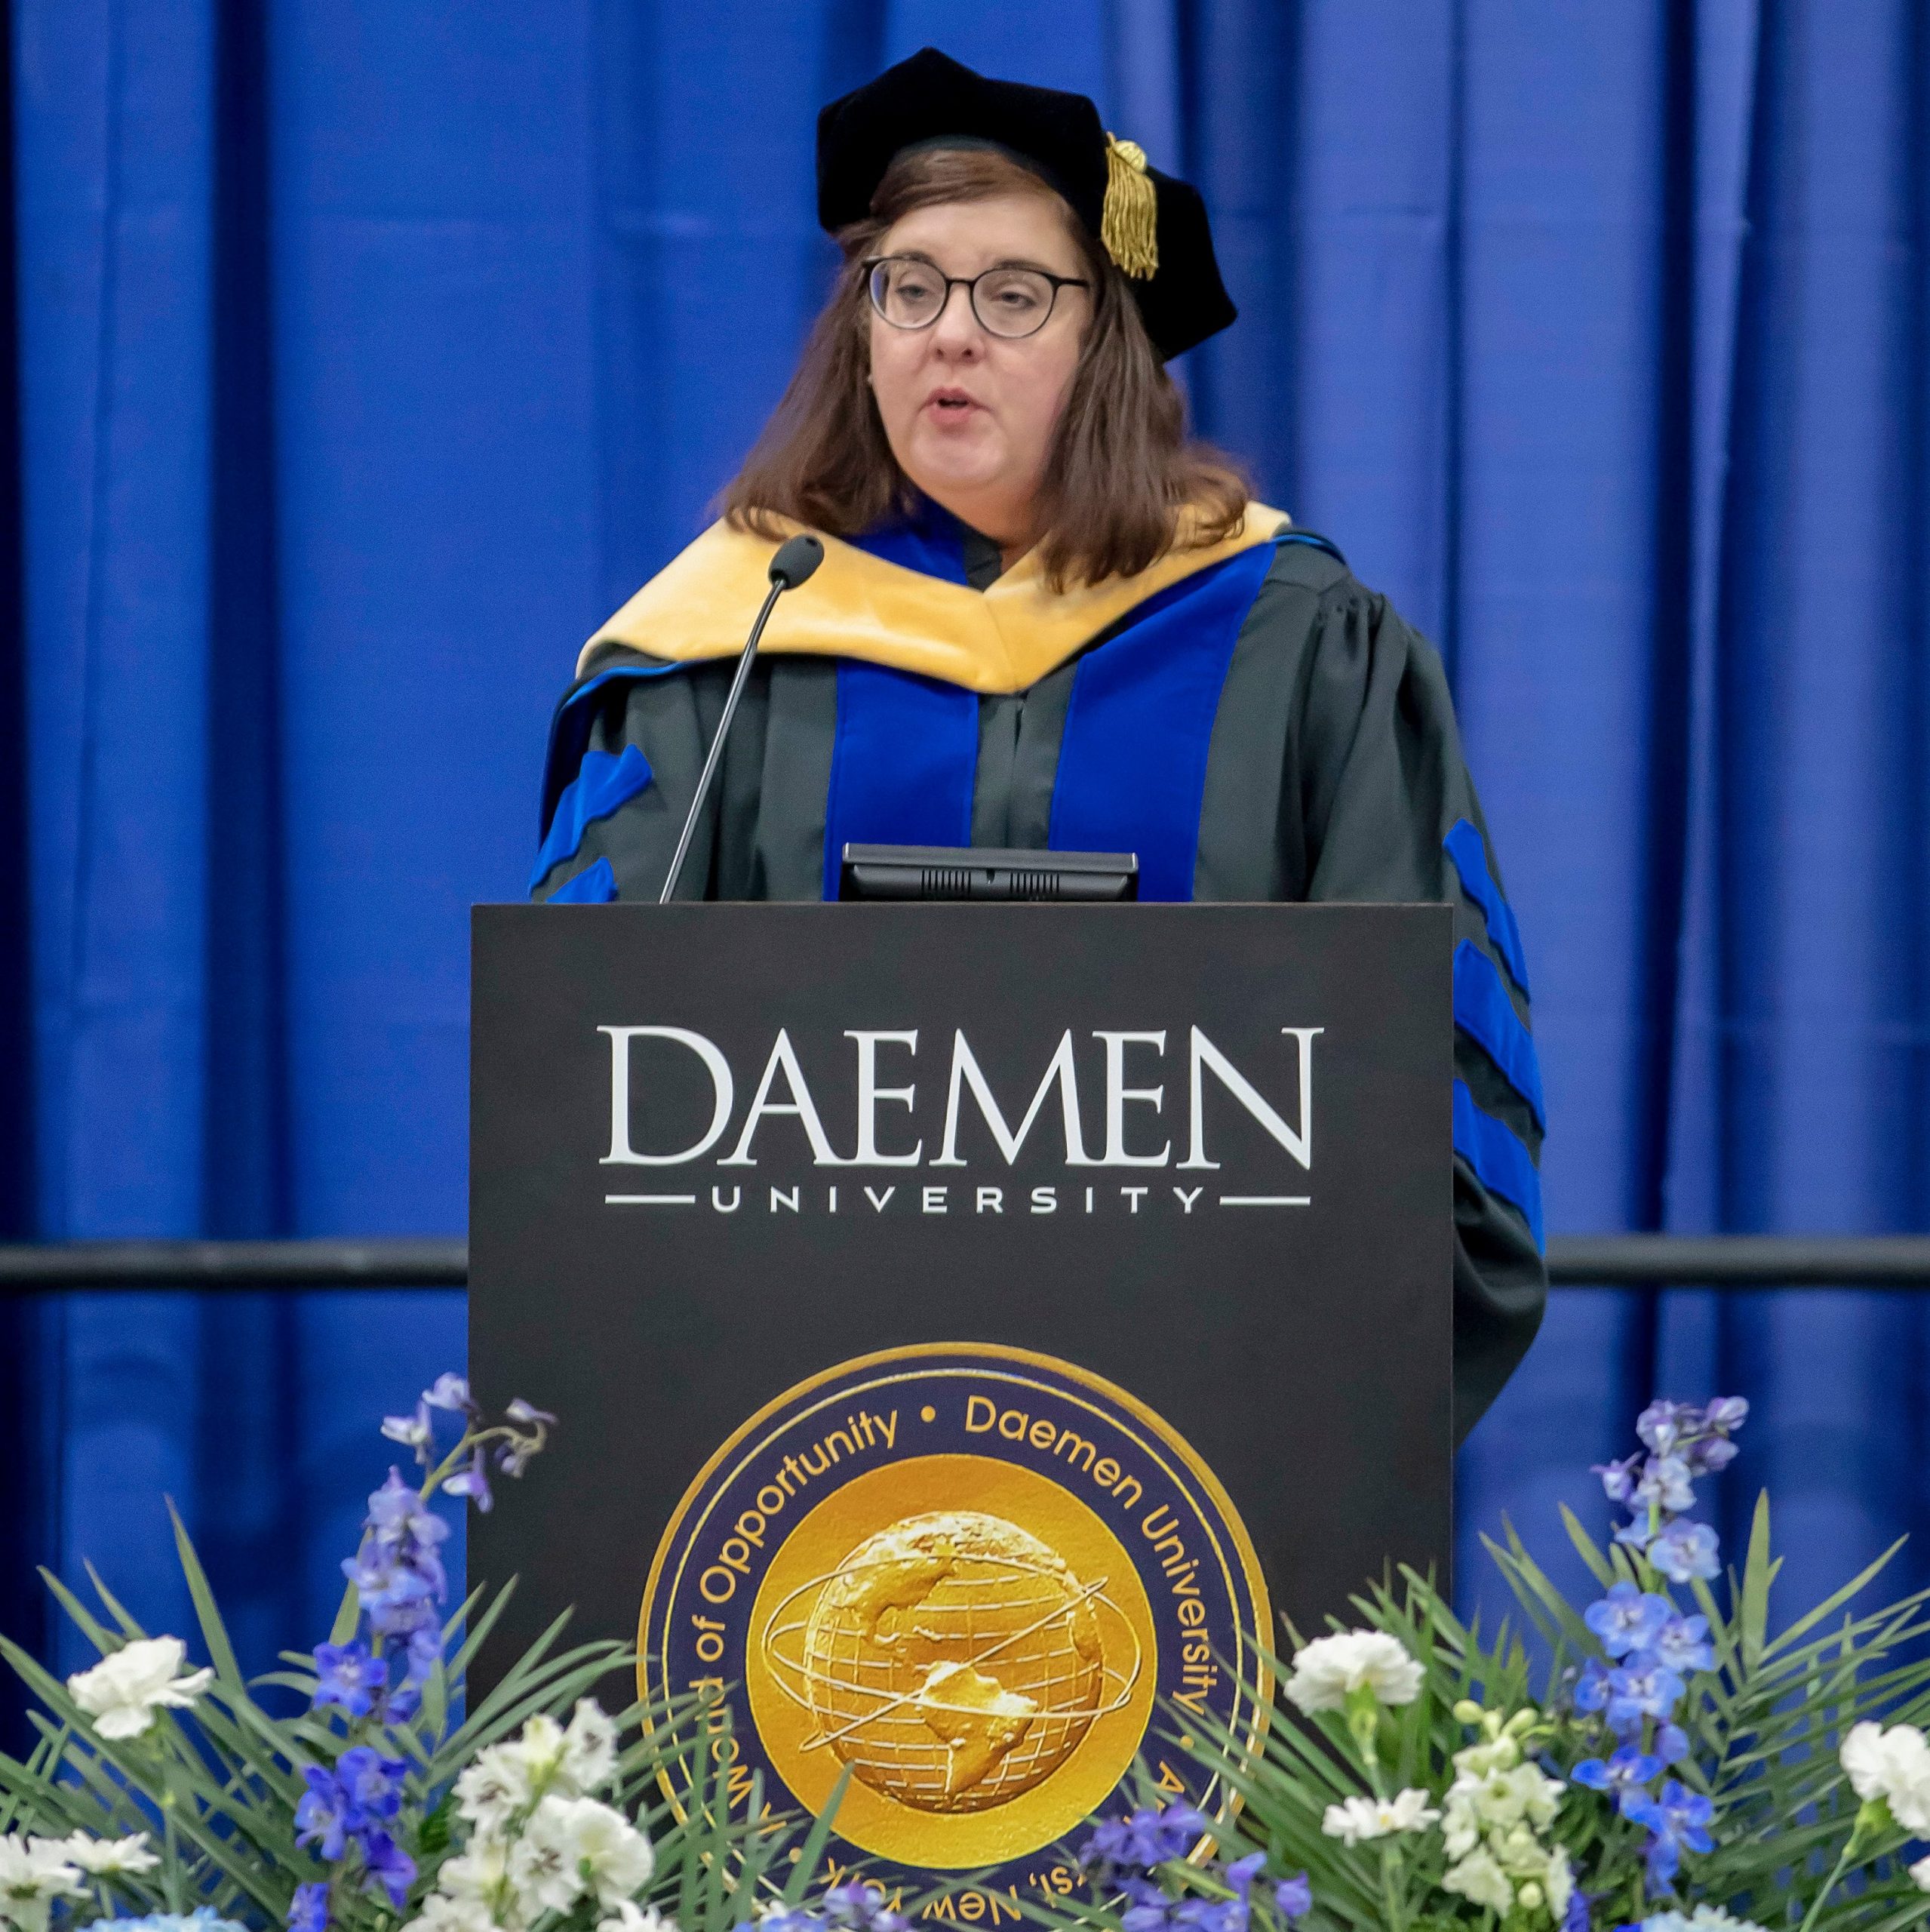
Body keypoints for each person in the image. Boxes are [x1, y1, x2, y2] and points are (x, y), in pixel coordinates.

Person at [530, 48, 1546, 1434]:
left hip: (1210, 1433)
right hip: (787, 1444)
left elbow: (1419, 1076)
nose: (951, 333)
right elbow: (591, 1097)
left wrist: (1328, 1391)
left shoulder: (1299, 640)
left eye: (1014, 295)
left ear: (1103, 340)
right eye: (910, 287)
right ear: (863, 335)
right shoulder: (727, 642)